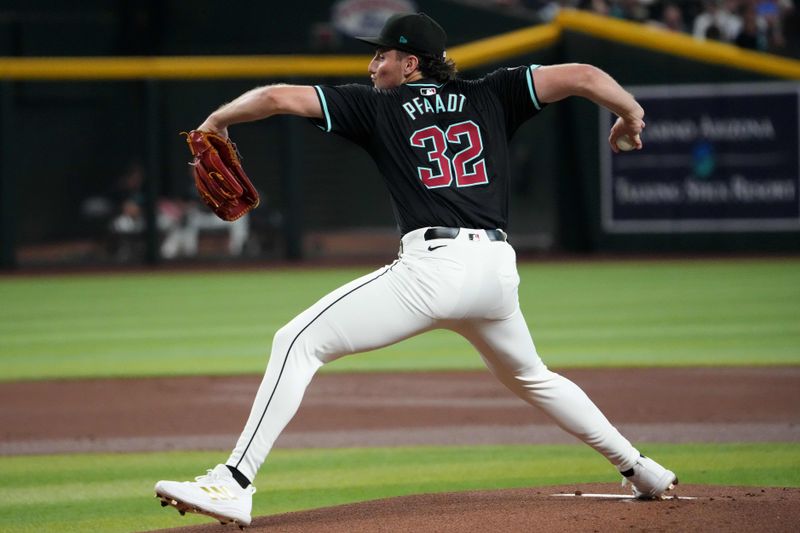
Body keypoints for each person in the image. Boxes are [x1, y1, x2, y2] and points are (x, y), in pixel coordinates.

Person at [154, 12, 677, 528]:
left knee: (297, 342)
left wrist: (215, 121)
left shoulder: (377, 106)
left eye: (381, 55)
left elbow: (275, 97)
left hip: (434, 269)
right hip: (496, 270)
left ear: (410, 64)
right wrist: (630, 115)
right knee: (531, 376)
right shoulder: (493, 93)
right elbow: (584, 77)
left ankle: (234, 483)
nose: (372, 64)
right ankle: (640, 468)